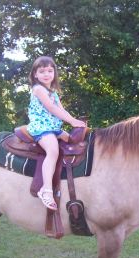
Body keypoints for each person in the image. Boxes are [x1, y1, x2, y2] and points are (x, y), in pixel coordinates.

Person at [26, 56, 86, 210]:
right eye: (42, 71)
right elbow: (51, 109)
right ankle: (46, 190)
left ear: (54, 73)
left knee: (72, 141)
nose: (46, 74)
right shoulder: (38, 89)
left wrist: (75, 121)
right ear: (35, 75)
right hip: (41, 127)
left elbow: (61, 109)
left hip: (53, 127)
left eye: (50, 71)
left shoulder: (53, 92)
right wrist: (72, 122)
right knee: (52, 150)